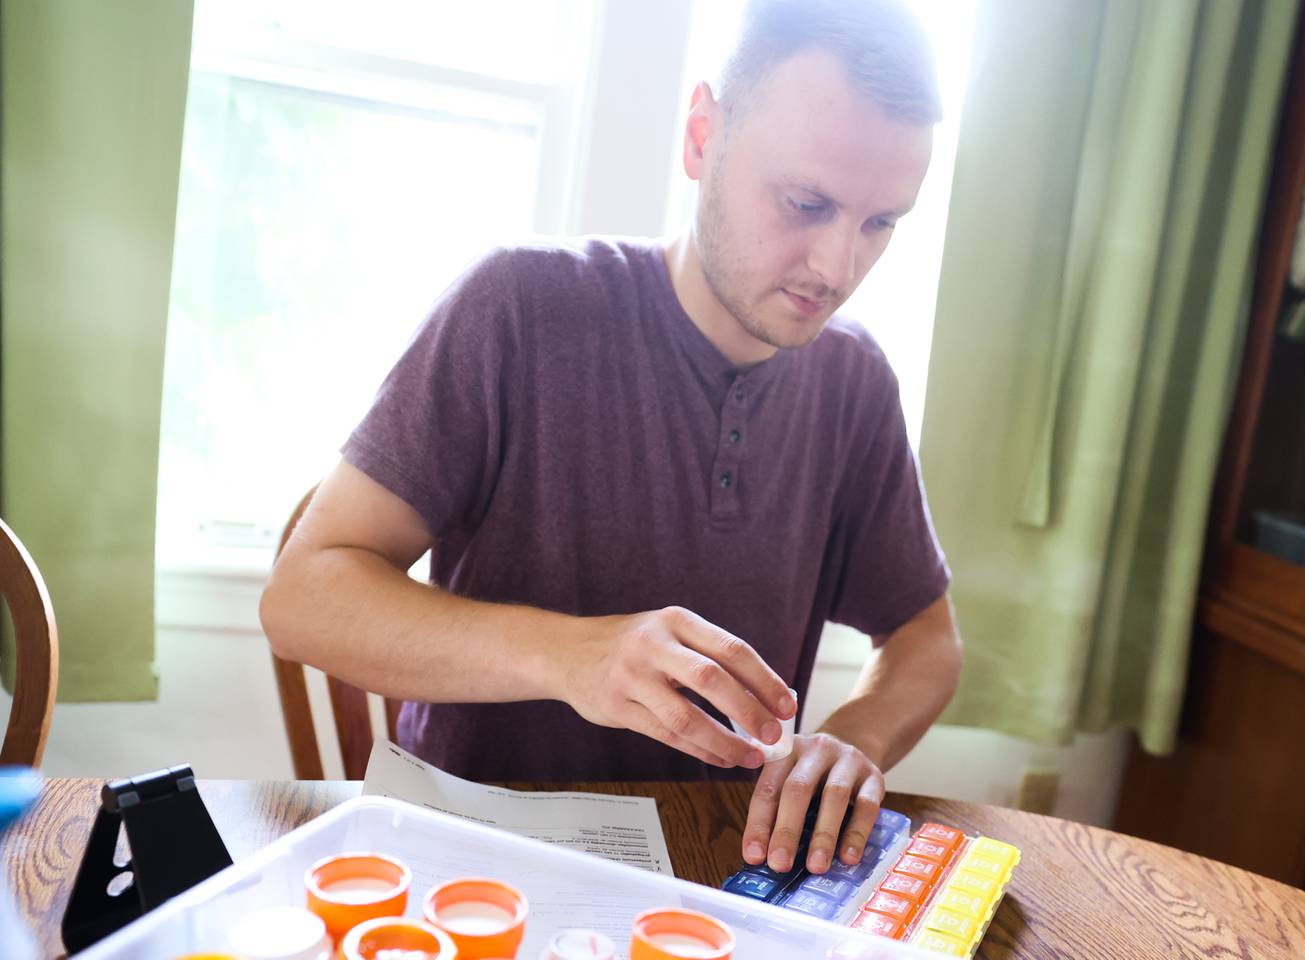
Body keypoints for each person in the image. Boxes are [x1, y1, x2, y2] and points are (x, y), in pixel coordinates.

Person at [261, 0, 962, 881]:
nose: (838, 267)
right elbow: (301, 597)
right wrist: (570, 655)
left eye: (880, 222)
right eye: (806, 203)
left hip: (720, 874)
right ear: (703, 136)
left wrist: (854, 739)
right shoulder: (520, 307)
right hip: (471, 864)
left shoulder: (854, 382)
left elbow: (929, 641)